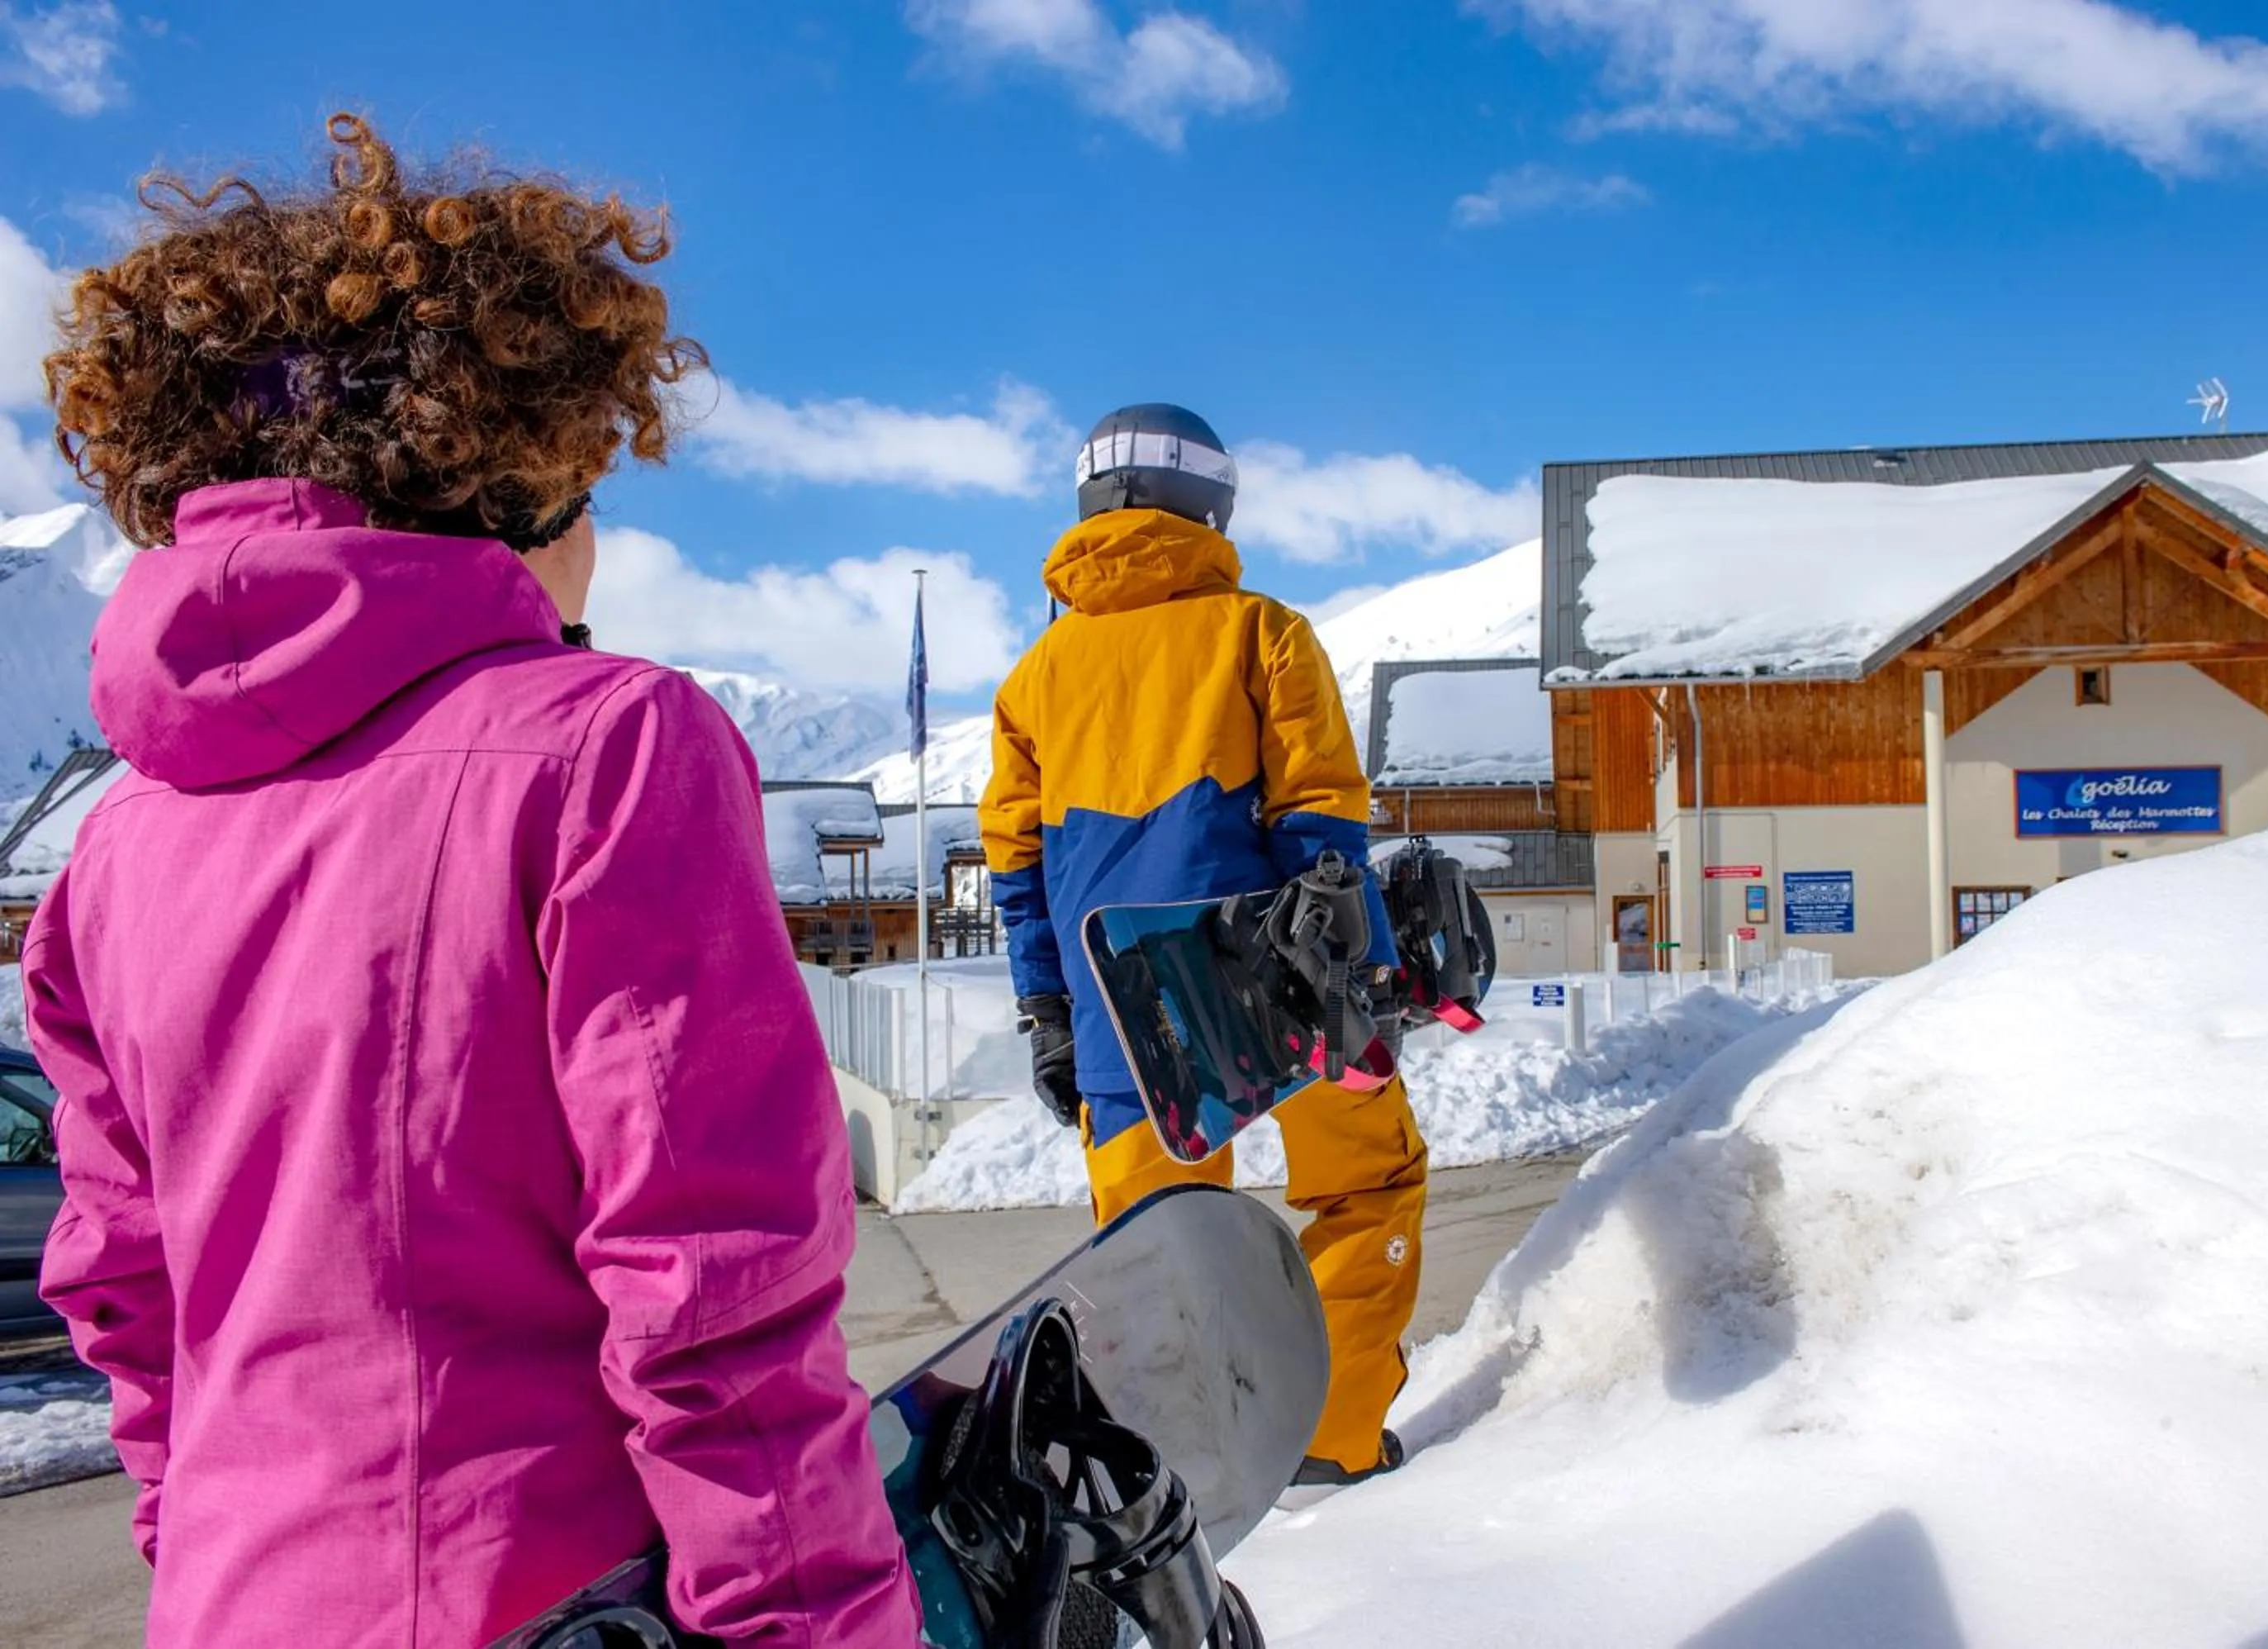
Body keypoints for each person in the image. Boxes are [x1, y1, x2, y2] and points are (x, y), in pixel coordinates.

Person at [28, 114, 920, 1645]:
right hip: (551, 1596)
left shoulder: (109, 848)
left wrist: (214, 1561)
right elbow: (713, 1302)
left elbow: (132, 1301)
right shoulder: (608, 750)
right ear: (512, 483)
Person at [980, 403, 1428, 1487]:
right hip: (1281, 988)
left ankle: (1188, 1474)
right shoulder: (1261, 631)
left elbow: (1017, 877)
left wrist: (1047, 1015)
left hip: (1120, 1021)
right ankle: (1335, 1435)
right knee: (1366, 1186)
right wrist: (1363, 978)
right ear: (1212, 503)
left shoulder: (1031, 683)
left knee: (1153, 1254)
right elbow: (1323, 825)